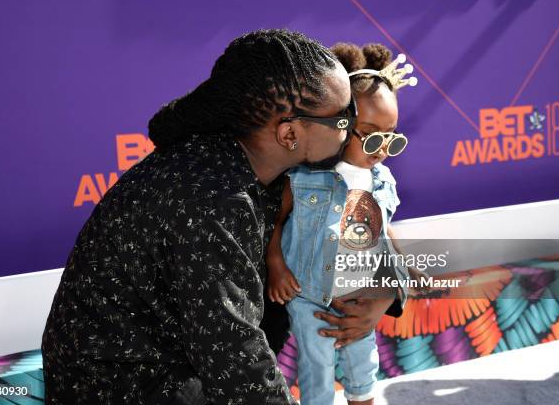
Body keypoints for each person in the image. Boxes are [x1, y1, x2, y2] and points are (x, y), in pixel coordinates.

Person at [41, 29, 363, 404]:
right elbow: (233, 358)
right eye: (343, 118)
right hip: (120, 385)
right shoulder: (213, 197)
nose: (352, 128)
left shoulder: (247, 167)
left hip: (169, 368)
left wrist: (378, 294)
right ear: (289, 132)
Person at [266, 42, 419, 404]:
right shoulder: (303, 177)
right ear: (340, 124)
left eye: (391, 136)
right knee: (316, 371)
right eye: (371, 134)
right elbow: (272, 222)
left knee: (363, 368)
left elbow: (386, 238)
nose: (382, 148)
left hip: (359, 297)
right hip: (308, 296)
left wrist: (391, 289)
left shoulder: (383, 181)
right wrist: (275, 264)